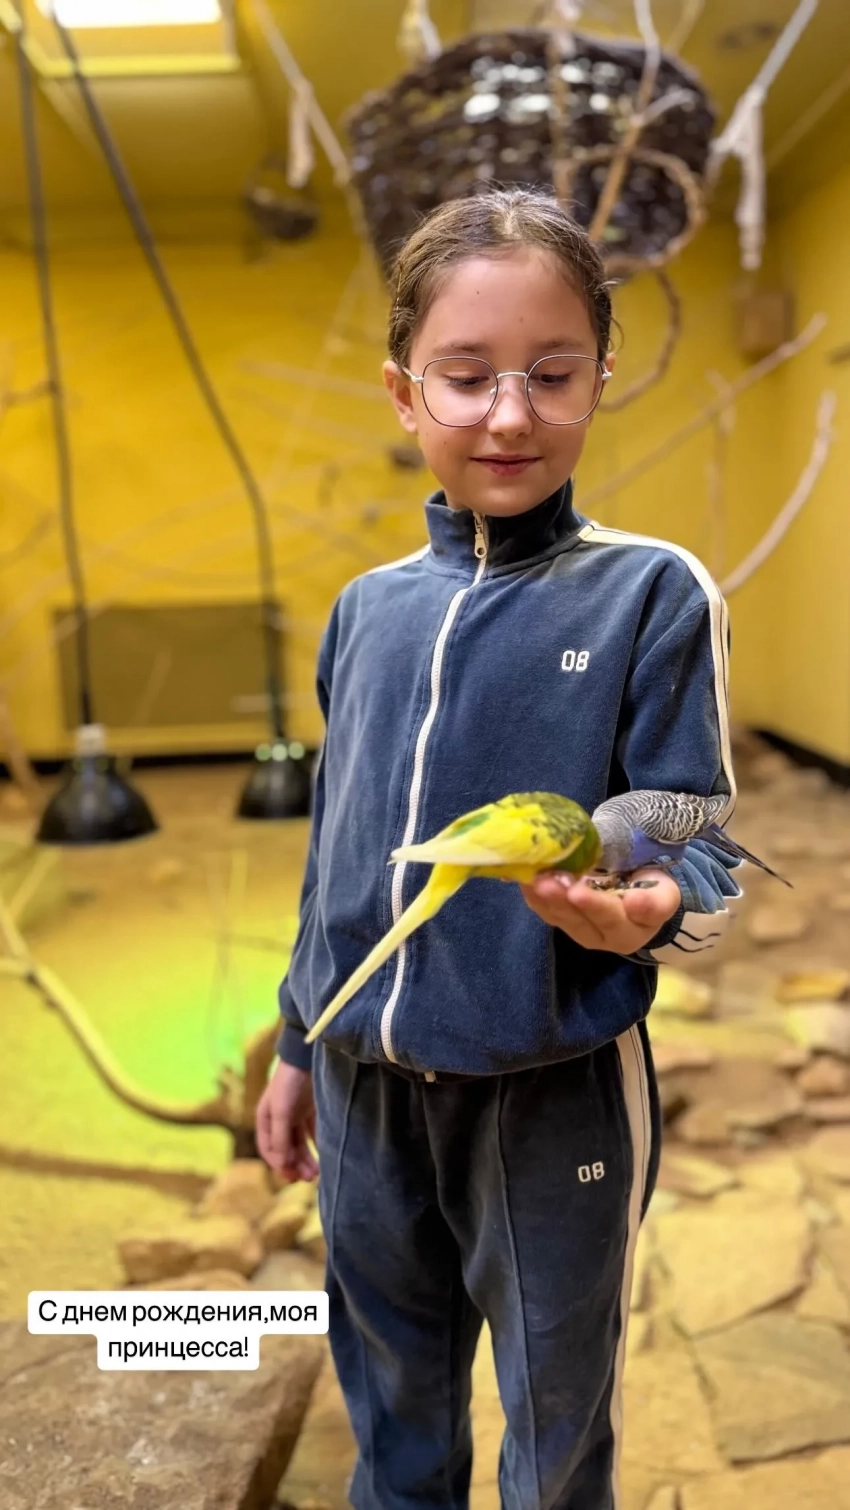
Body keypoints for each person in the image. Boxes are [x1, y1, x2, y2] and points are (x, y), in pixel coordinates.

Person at [256, 188, 743, 1510]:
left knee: (556, 1429)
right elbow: (336, 854)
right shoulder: (364, 612)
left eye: (552, 373)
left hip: (551, 1092)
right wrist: (299, 1040)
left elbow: (699, 839)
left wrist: (650, 904)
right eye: (466, 376)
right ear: (403, 391)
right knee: (392, 1414)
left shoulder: (649, 592)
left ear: (600, 378)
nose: (510, 414)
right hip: (362, 1093)